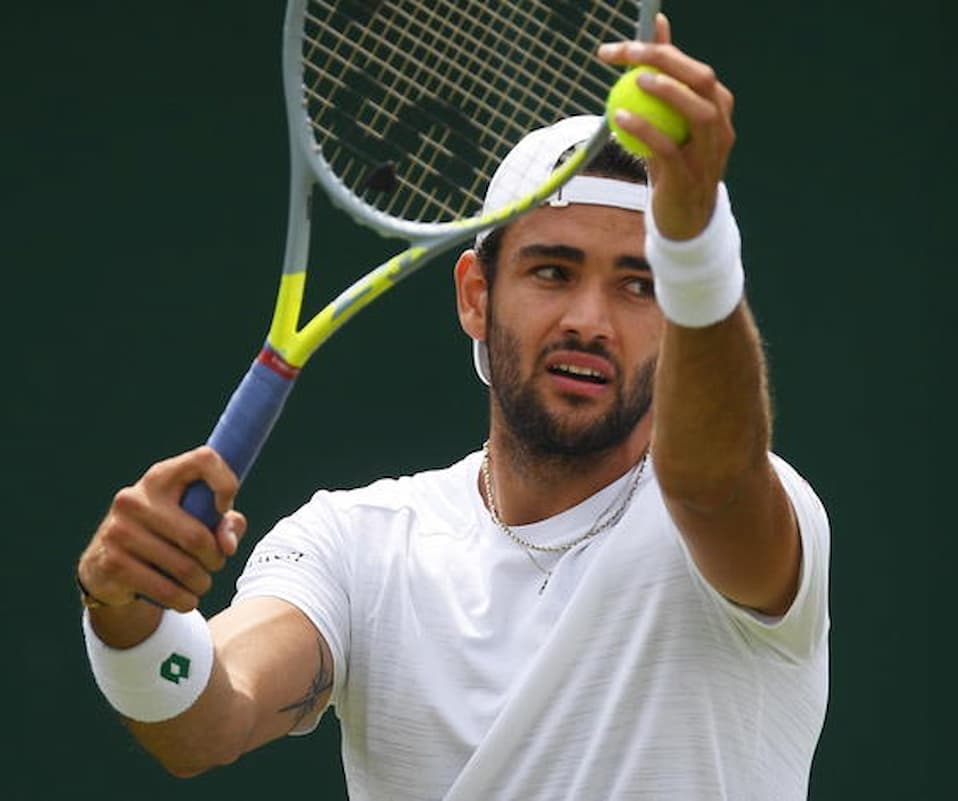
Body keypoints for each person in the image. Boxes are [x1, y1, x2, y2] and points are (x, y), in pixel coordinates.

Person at [76, 16, 830, 801]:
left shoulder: (747, 521)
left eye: (641, 285)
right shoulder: (358, 545)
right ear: (476, 294)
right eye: (553, 271)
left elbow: (713, 481)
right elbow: (204, 719)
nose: (590, 320)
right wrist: (127, 613)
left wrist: (697, 244)